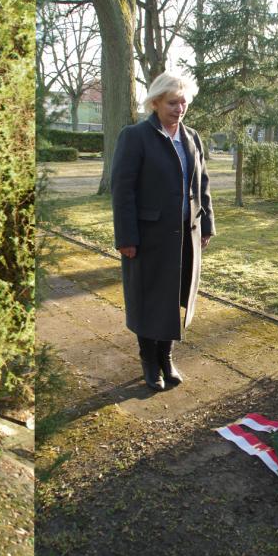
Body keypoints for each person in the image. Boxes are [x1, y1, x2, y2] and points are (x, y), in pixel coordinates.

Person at [111, 72, 215, 392]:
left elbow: (203, 185)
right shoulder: (135, 136)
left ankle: (167, 357)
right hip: (148, 239)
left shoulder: (192, 137)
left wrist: (207, 224)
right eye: (172, 102)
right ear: (155, 102)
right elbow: (122, 190)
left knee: (175, 298)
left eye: (183, 102)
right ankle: (148, 361)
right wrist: (126, 237)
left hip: (186, 236)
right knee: (148, 300)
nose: (179, 108)